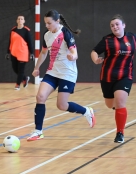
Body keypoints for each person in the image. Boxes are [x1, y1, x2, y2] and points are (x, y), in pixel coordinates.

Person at [27, 9, 95, 142]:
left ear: (57, 21)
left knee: (62, 105)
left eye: (49, 23)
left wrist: (72, 56)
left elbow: (74, 52)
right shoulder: (46, 35)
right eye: (45, 23)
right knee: (40, 97)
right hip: (52, 72)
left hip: (67, 74)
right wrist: (36, 68)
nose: (47, 26)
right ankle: (38, 131)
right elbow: (43, 53)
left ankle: (86, 111)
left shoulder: (65, 33)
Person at [91, 14, 136, 143]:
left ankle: (120, 133)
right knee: (110, 104)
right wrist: (96, 59)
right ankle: (117, 108)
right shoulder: (107, 40)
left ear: (123, 25)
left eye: (117, 24)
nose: (115, 27)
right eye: (112, 25)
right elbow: (94, 51)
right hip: (107, 76)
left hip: (125, 76)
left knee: (120, 102)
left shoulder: (132, 38)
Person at [5, 15, 34, 90]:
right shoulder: (13, 30)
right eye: (19, 19)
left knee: (21, 70)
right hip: (14, 52)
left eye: (22, 19)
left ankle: (17, 85)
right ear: (17, 21)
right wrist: (8, 52)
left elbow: (30, 42)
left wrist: (32, 53)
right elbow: (10, 42)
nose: (20, 20)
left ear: (24, 21)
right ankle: (25, 78)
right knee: (15, 69)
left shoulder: (26, 30)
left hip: (23, 53)